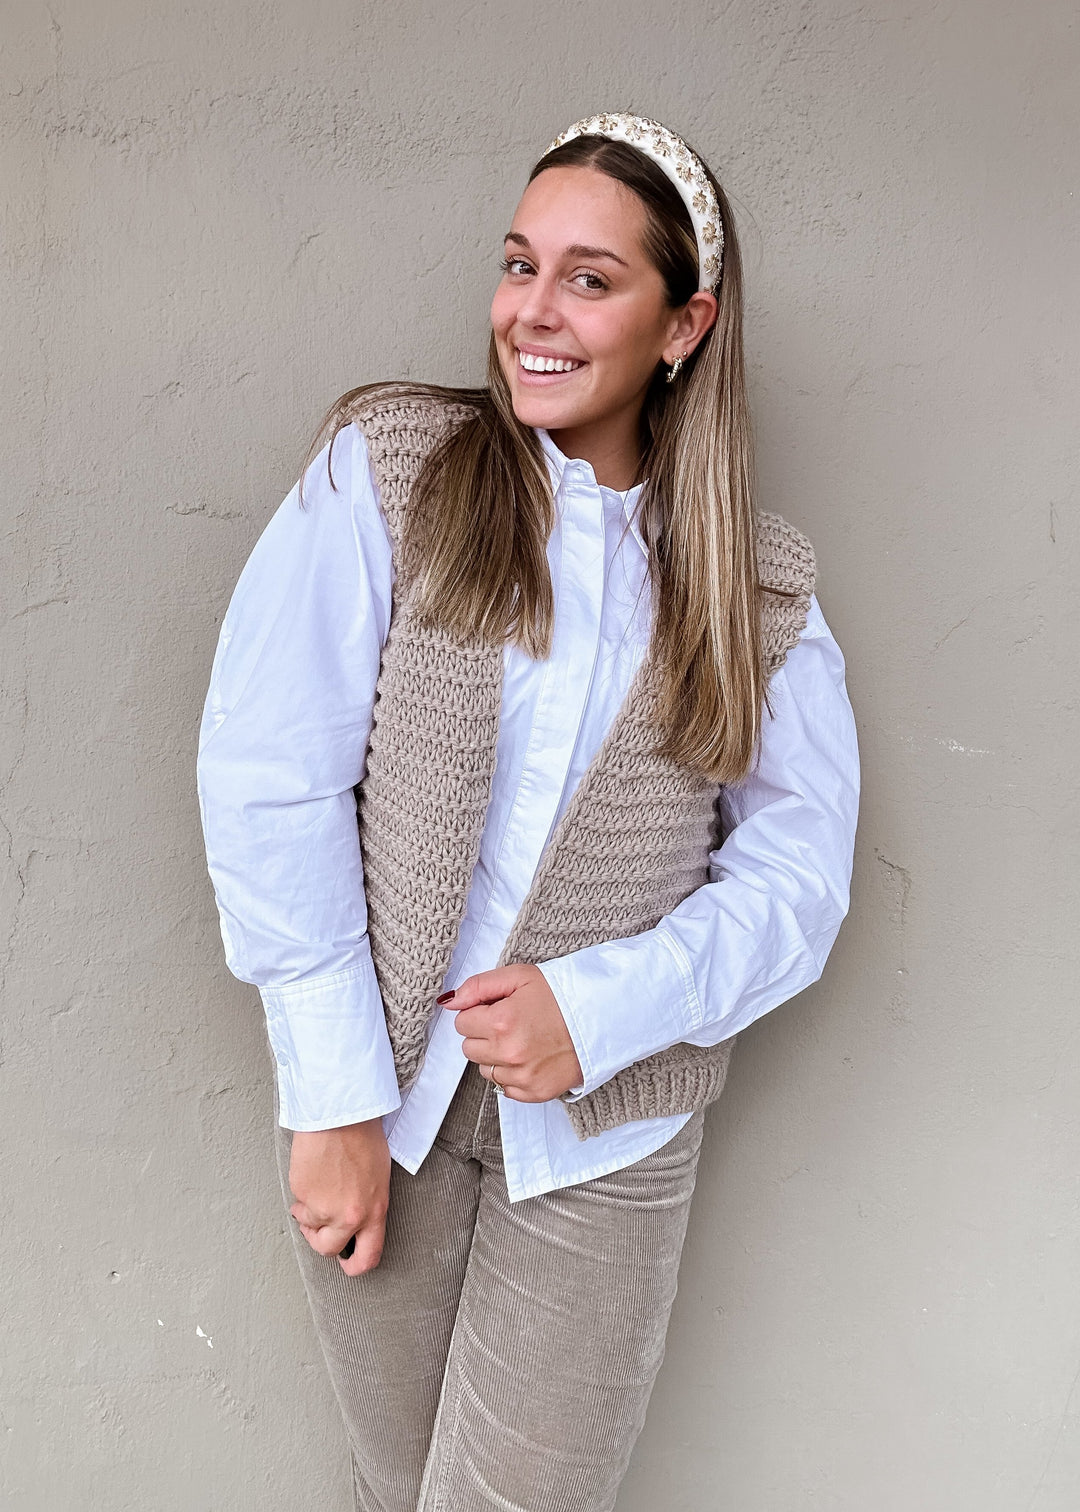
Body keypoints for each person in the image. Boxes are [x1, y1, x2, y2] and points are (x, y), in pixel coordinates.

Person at [196, 112, 860, 1512]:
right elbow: (268, 772)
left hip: (612, 1137)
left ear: (684, 326)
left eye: (589, 278)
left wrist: (601, 1005)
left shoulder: (756, 589)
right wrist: (329, 1096)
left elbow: (799, 879)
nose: (532, 313)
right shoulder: (391, 474)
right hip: (381, 1105)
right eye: (519, 264)